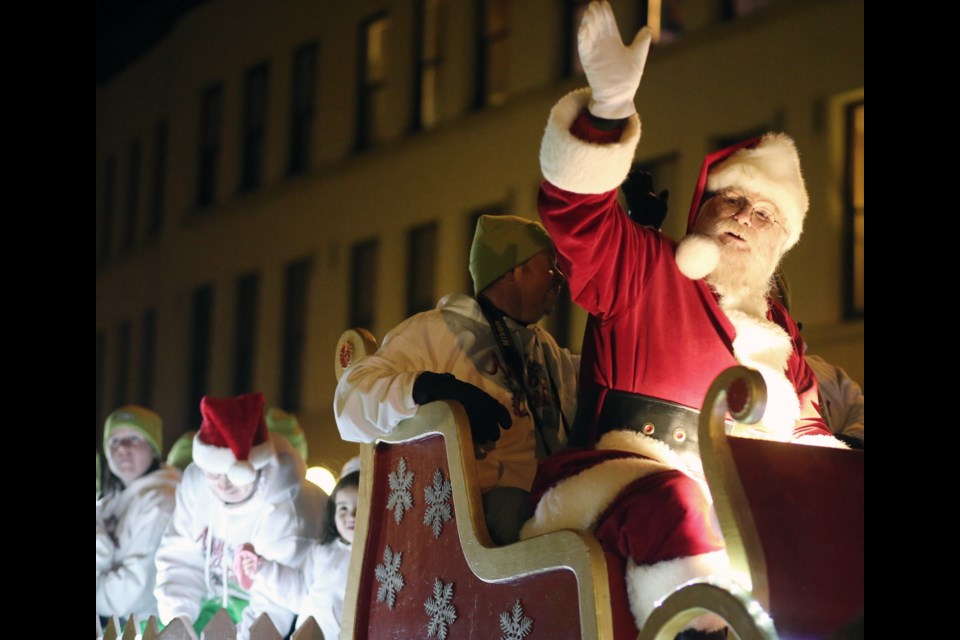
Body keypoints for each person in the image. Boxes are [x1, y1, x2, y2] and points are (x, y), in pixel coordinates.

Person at [525, 2, 848, 636]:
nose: (742, 217)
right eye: (731, 199)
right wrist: (607, 113)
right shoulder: (646, 271)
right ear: (701, 209)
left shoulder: (782, 342)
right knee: (680, 507)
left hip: (742, 513)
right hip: (619, 489)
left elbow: (812, 439)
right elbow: (575, 217)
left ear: (778, 248)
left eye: (764, 216)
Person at [335, 214, 579, 545]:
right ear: (510, 270)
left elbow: (603, 379)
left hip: (547, 507)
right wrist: (428, 388)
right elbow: (349, 406)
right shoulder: (435, 332)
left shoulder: (542, 349)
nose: (560, 278)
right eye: (550, 266)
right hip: (470, 530)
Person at [154, 392, 322, 638]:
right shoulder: (196, 485)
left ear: (255, 466)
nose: (223, 485)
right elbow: (179, 556)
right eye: (213, 474)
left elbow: (276, 602)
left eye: (233, 475)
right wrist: (178, 621)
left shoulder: (287, 507)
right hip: (209, 606)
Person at [235, 469, 360, 640]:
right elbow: (299, 593)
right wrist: (263, 568)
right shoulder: (323, 552)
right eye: (343, 508)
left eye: (360, 507)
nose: (351, 516)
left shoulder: (379, 560)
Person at [97, 405, 181, 626]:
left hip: (146, 628)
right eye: (114, 440)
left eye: (134, 438)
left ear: (153, 449)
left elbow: (131, 594)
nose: (123, 448)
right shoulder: (108, 504)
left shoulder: (161, 502)